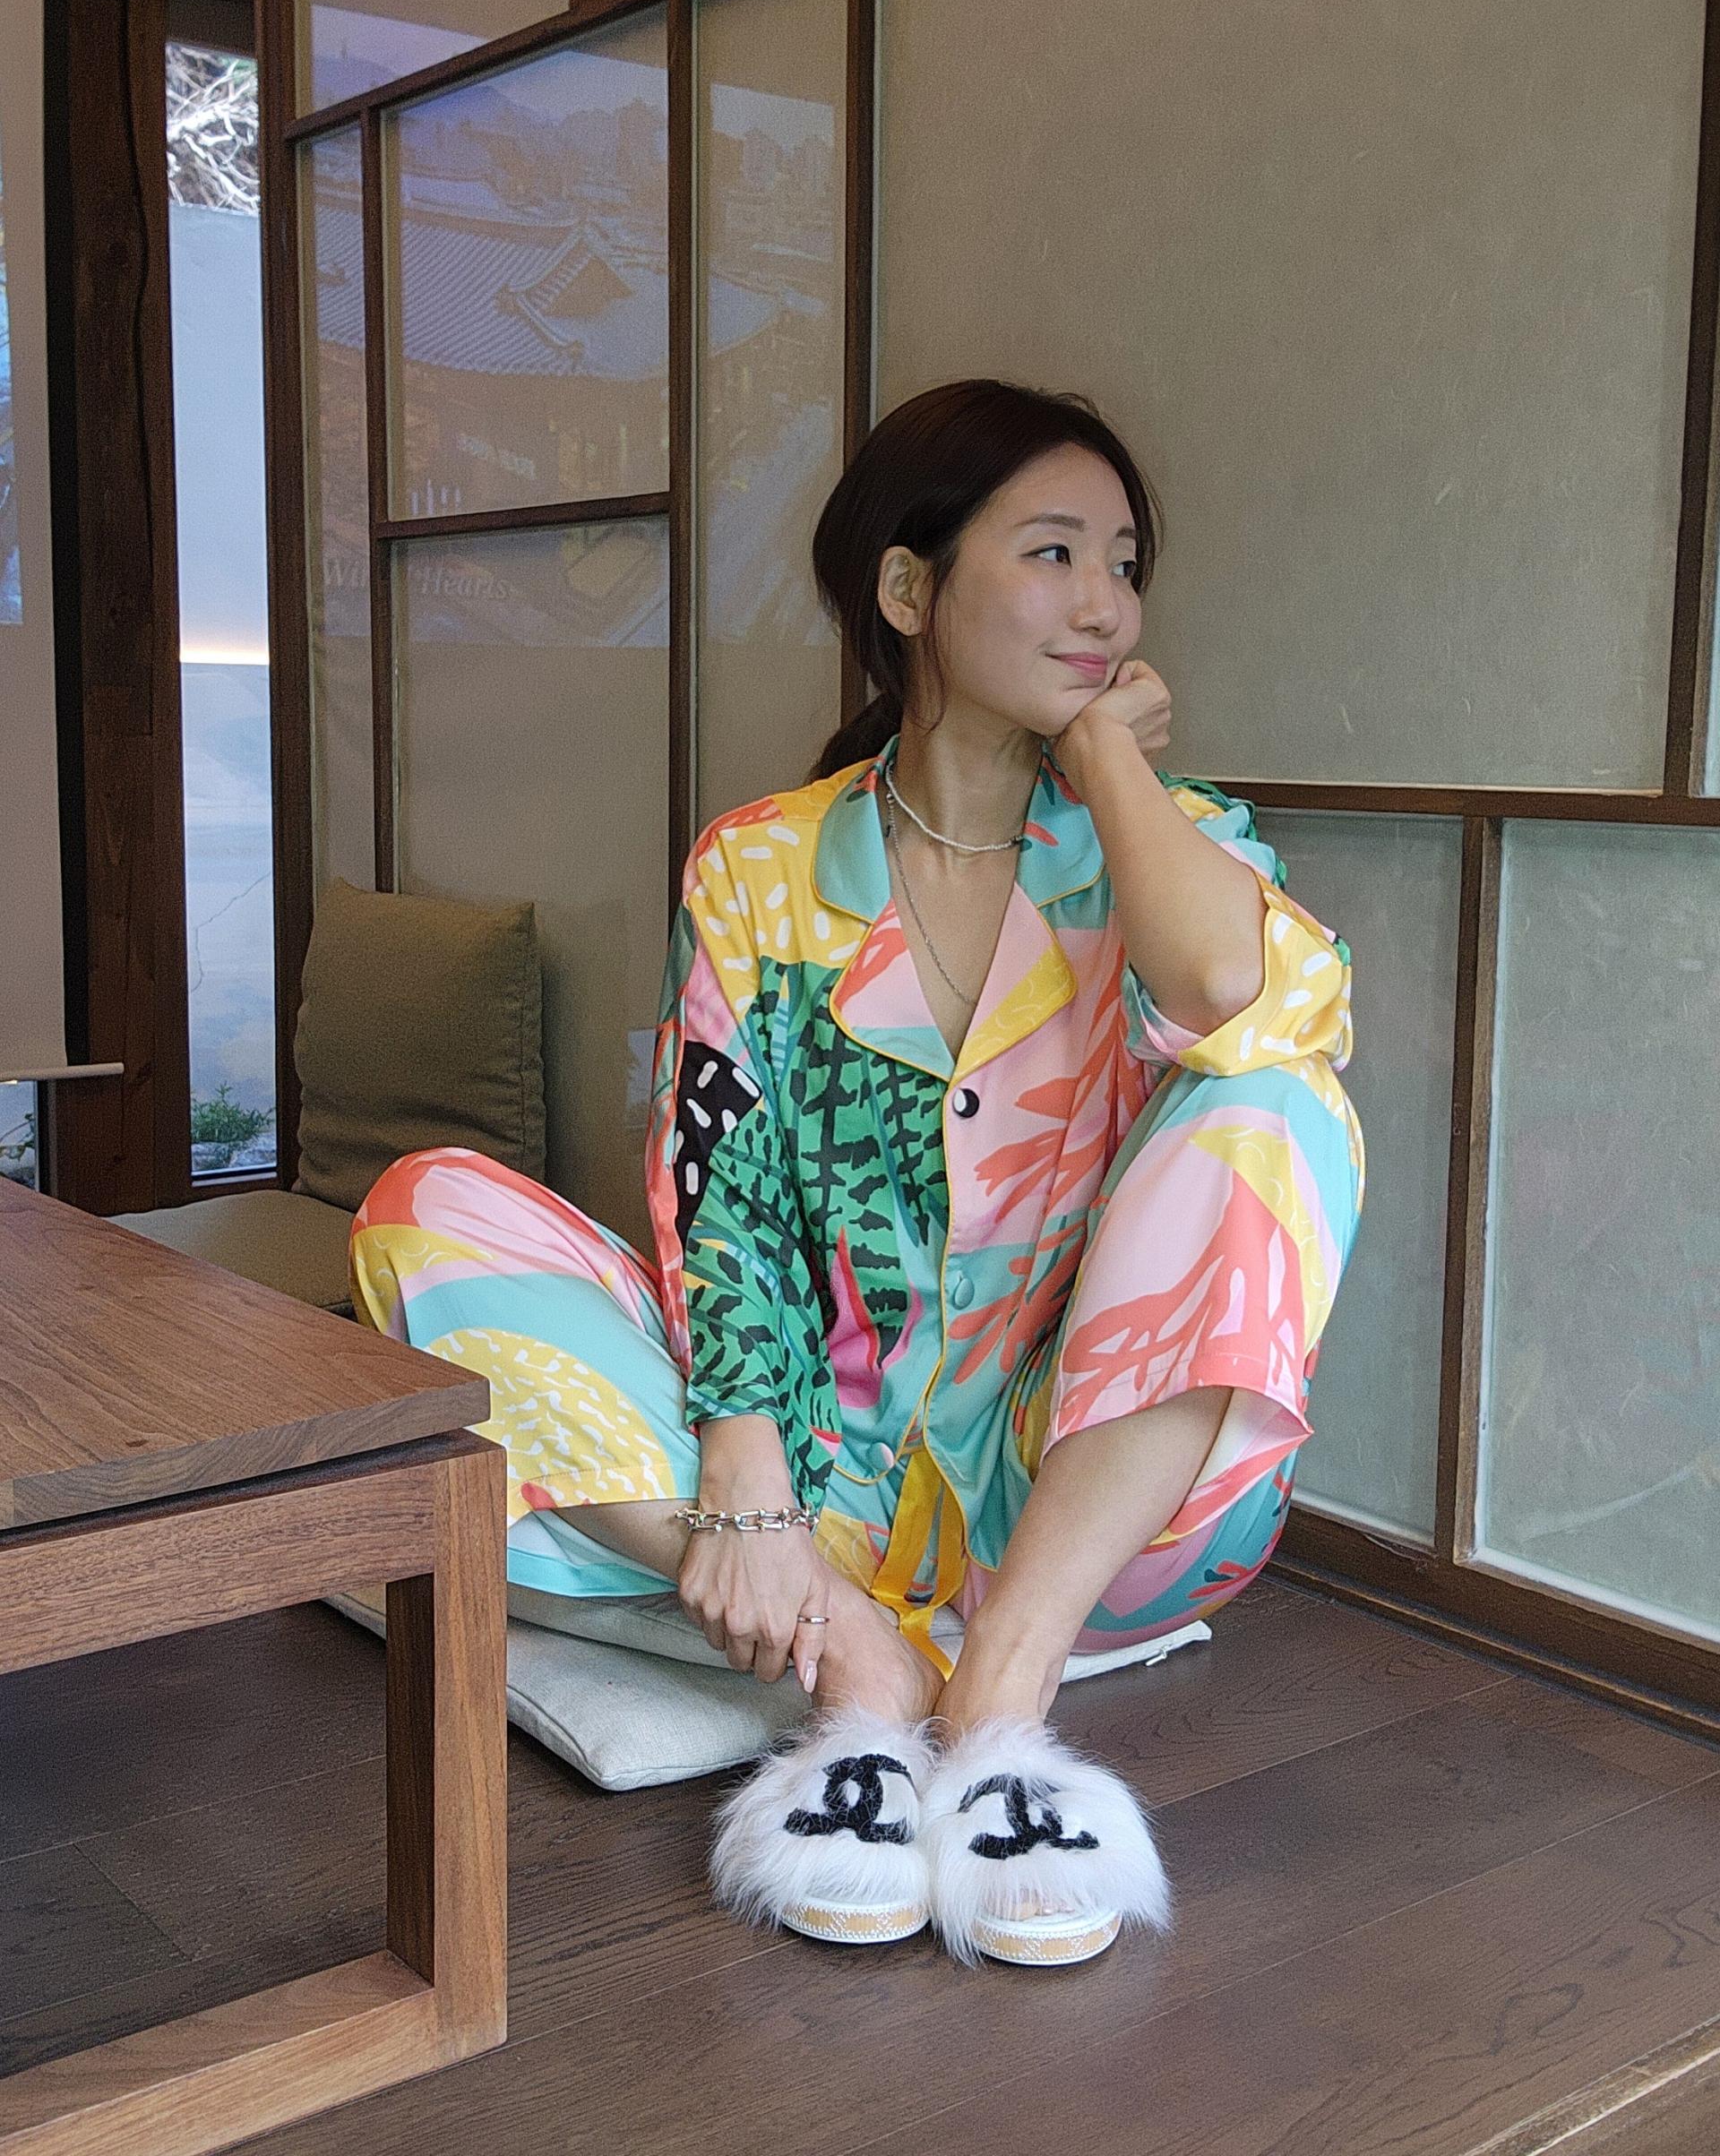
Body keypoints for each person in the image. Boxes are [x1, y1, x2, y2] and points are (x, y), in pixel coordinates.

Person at [350, 376, 1365, 1969]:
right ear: (910, 588)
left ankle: (1002, 1687)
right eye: (1052, 554)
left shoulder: (1170, 847)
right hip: (808, 1492)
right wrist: (747, 1484)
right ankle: (861, 1667)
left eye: (1124, 566)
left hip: (1074, 1505)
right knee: (425, 1209)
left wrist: (1105, 759)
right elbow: (723, 1194)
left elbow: (1229, 993)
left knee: (1278, 1106)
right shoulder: (762, 867)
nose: (1103, 605)